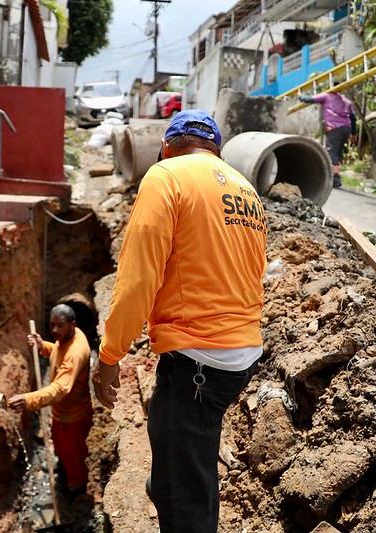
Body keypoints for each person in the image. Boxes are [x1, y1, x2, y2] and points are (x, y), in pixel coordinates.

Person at [92, 110, 268, 532]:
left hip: (197, 363)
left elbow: (137, 280)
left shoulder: (166, 176)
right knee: (183, 469)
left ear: (166, 147)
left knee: (182, 500)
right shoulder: (246, 190)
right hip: (239, 356)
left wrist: (110, 354)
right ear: (216, 150)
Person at [9, 305, 93, 492]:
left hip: (73, 418)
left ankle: (75, 489)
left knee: (74, 459)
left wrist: (29, 400)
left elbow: (60, 388)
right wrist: (42, 346)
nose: (54, 330)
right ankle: (62, 468)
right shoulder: (69, 337)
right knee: (62, 450)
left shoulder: (75, 352)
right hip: (61, 413)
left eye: (60, 326)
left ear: (73, 325)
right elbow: (57, 351)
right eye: (52, 324)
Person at [299, 91, 357, 188]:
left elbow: (309, 99)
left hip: (334, 128)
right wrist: (353, 134)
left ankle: (335, 178)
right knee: (338, 152)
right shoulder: (345, 100)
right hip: (346, 129)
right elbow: (353, 118)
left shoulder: (326, 96)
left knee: (332, 152)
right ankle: (335, 174)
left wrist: (300, 96)